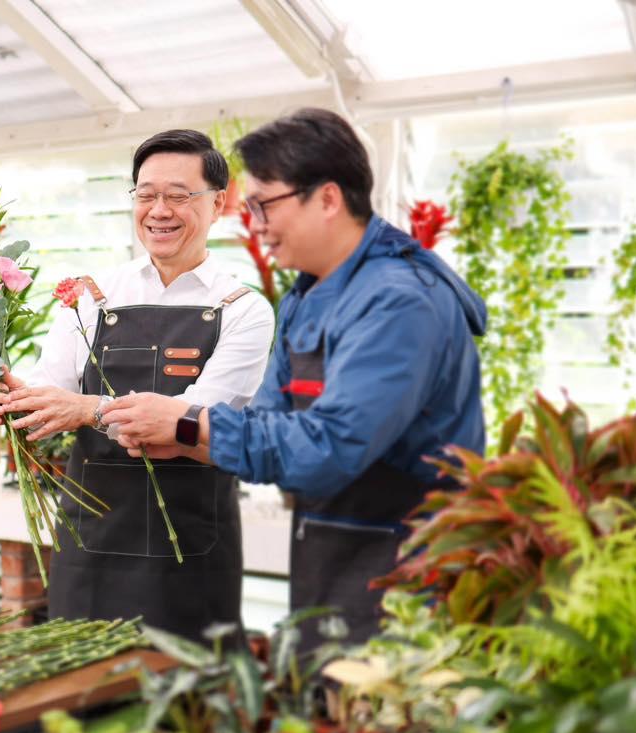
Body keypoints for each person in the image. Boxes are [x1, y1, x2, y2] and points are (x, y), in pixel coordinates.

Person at [102, 108, 487, 644]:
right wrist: (182, 431)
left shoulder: (400, 303)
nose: (254, 225)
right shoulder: (308, 297)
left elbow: (326, 450)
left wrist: (187, 425)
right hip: (330, 564)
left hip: (410, 582)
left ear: (327, 199)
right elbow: (267, 423)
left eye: (265, 205)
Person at [0, 129, 276, 639]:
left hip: (191, 550)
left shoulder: (243, 307)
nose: (159, 210)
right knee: (83, 703)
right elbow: (49, 398)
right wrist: (12, 397)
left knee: (184, 708)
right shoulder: (92, 296)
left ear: (218, 204)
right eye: (145, 194)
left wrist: (86, 409)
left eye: (178, 196)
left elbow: (185, 423)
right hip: (92, 544)